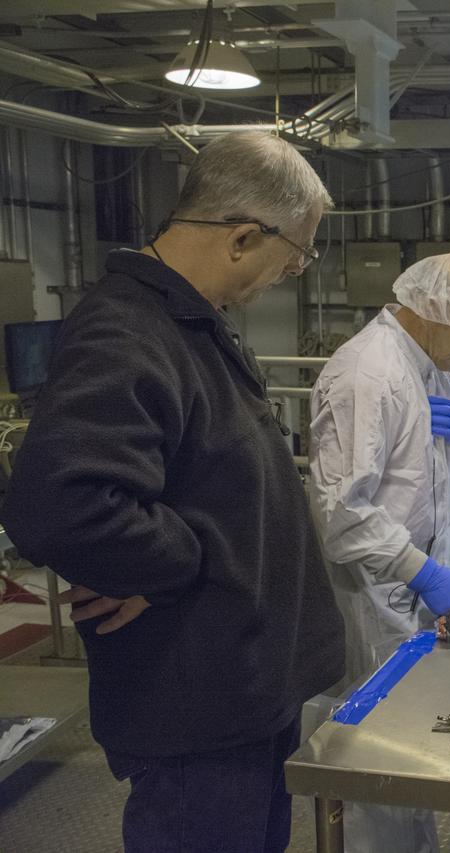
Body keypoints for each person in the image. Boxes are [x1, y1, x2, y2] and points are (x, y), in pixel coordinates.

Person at [0, 131, 343, 852]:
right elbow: (59, 503)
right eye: (297, 253)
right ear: (244, 237)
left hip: (245, 692)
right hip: (199, 712)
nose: (295, 270)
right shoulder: (127, 330)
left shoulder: (192, 323)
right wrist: (172, 562)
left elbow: (204, 481)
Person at [308, 251, 450, 853]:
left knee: (409, 757)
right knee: (377, 763)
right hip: (375, 597)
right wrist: (421, 570)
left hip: (411, 591)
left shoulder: (428, 366)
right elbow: (342, 516)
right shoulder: (367, 373)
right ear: (430, 311)